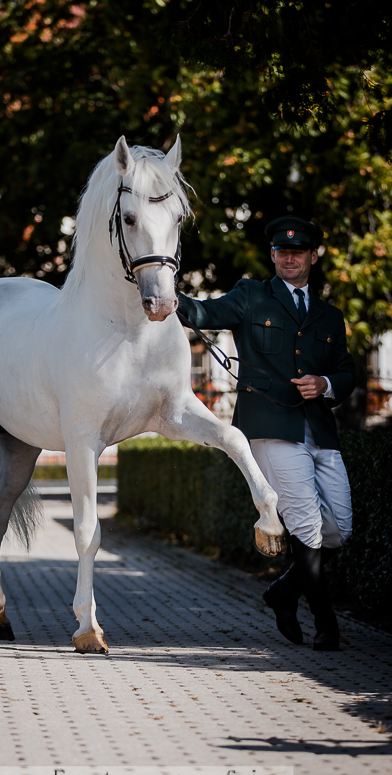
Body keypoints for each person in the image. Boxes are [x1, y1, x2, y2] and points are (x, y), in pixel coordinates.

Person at [177, 216, 356, 651]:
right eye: (281, 251)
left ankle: (282, 593)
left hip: (320, 430)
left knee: (339, 529)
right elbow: (203, 312)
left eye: (298, 251)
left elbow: (346, 372)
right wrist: (162, 288)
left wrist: (325, 384)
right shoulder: (251, 296)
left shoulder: (330, 316)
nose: (289, 258)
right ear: (272, 254)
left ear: (314, 256)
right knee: (307, 528)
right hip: (271, 428)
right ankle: (326, 626)